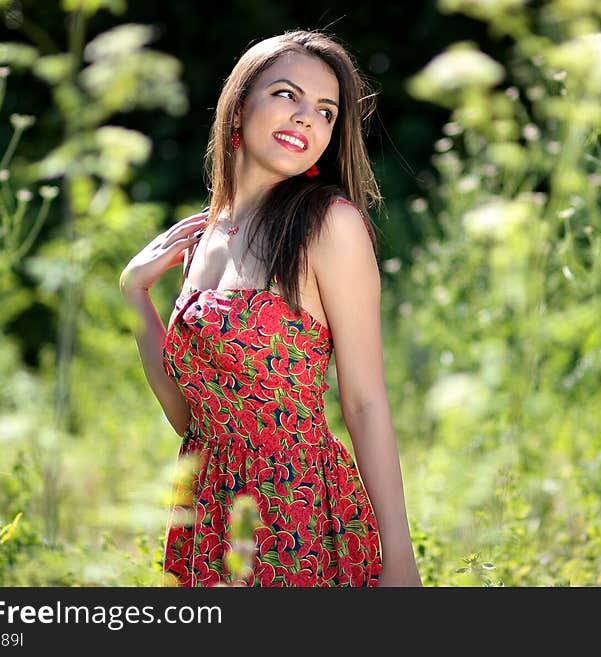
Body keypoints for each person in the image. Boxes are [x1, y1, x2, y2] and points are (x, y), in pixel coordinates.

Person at [119, 29, 421, 587]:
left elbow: (364, 400)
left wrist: (399, 556)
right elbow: (191, 419)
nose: (307, 117)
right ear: (237, 109)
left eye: (326, 111)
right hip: (207, 514)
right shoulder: (206, 236)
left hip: (297, 511)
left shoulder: (330, 225)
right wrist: (135, 294)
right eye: (287, 94)